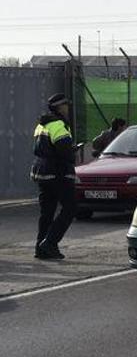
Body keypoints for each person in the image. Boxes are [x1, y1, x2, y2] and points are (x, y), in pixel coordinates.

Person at [29, 93, 77, 260]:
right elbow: (64, 151)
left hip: (42, 173)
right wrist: (73, 152)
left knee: (47, 212)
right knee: (70, 208)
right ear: (60, 107)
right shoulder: (58, 124)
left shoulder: (42, 124)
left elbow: (42, 149)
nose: (68, 108)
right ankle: (50, 243)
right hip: (58, 173)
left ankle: (40, 249)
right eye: (66, 105)